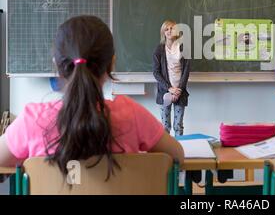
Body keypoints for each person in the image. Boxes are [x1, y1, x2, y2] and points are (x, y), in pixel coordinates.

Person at [0, 16, 184, 178]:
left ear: (57, 65)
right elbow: (177, 155)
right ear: (111, 63)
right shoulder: (132, 115)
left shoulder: (32, 121)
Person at [153, 20, 191, 136]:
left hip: (180, 92)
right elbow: (156, 72)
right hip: (165, 92)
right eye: (167, 29)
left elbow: (186, 71)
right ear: (163, 32)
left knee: (178, 126)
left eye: (172, 28)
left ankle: (179, 151)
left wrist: (179, 90)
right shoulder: (159, 50)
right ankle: (167, 152)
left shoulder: (184, 48)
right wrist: (170, 88)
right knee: (165, 126)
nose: (169, 31)